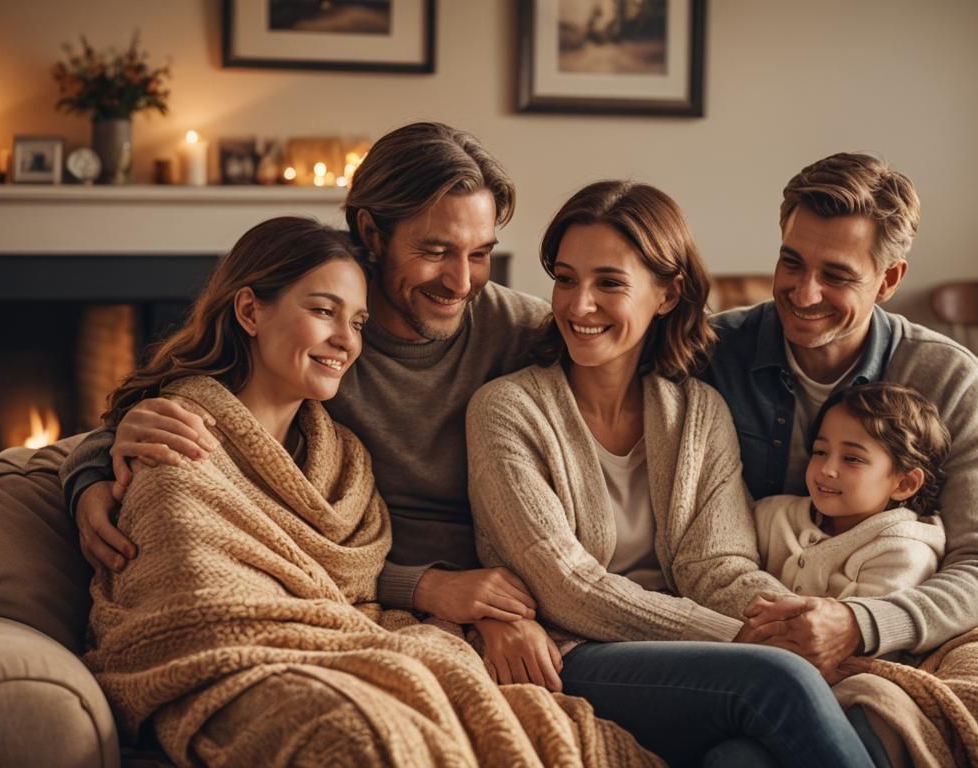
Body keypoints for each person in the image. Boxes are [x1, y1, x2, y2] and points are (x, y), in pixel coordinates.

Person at [83, 216, 657, 766]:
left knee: (545, 725)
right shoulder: (172, 443)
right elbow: (202, 606)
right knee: (355, 734)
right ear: (250, 310)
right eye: (322, 311)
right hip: (253, 669)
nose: (344, 340)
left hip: (378, 642)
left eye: (357, 322)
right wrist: (83, 474)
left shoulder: (347, 463)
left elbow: (358, 598)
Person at [60, 122, 553, 634]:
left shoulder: (519, 331)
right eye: (434, 252)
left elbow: (624, 367)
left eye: (480, 254)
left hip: (508, 602)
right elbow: (199, 395)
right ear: (370, 233)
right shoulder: (311, 335)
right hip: (383, 601)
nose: (461, 281)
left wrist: (506, 611)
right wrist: (94, 470)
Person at [466, 180, 878, 768]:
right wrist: (741, 641)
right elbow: (566, 587)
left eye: (609, 282)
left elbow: (717, 567)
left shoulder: (698, 411)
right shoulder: (506, 410)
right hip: (574, 651)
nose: (578, 305)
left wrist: (791, 623)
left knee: (742, 761)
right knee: (776, 680)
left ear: (666, 294)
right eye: (565, 278)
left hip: (694, 661)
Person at [707, 153, 978, 678]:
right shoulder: (715, 354)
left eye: (836, 275)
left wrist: (860, 623)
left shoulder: (950, 379)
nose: (804, 293)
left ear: (889, 279)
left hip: (880, 614)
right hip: (744, 626)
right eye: (791, 263)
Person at [753, 381, 949, 601]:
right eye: (820, 452)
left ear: (905, 484)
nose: (827, 469)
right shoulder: (771, 515)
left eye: (852, 459)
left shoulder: (904, 554)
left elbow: (851, 631)